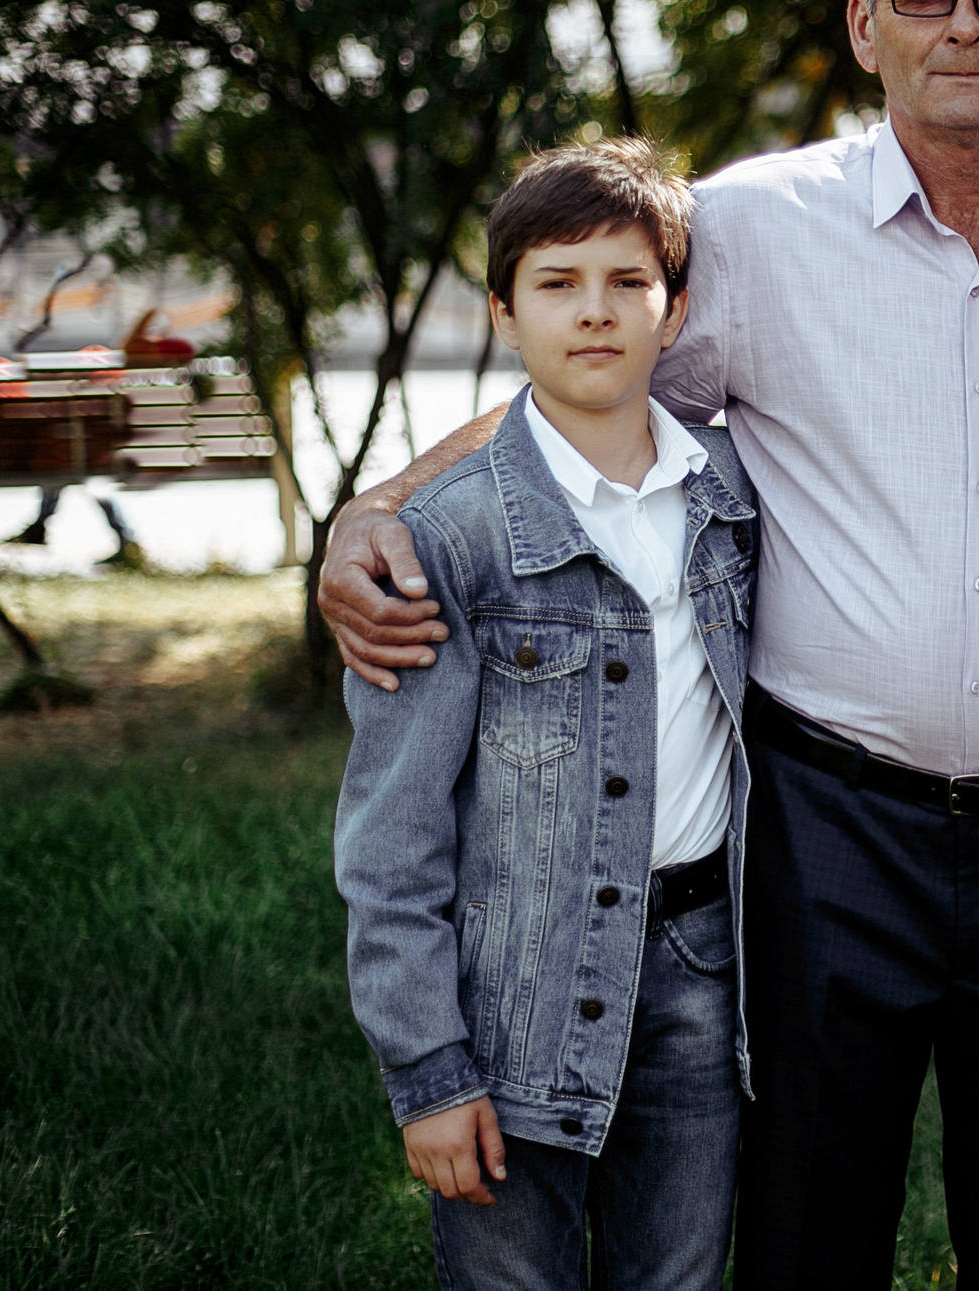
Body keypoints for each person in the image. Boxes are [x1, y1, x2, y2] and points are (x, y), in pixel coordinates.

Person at [317, 0, 979, 1289]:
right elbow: (582, 386)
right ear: (865, 26)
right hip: (828, 824)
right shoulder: (751, 229)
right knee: (810, 1229)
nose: (962, 23)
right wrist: (378, 504)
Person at [332, 140, 760, 1289]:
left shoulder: (731, 500)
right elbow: (392, 835)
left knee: (675, 1276)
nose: (596, 314)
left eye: (629, 284)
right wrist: (429, 1071)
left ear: (674, 315)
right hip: (512, 982)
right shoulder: (451, 538)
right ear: (504, 314)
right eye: (558, 284)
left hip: (697, 969)